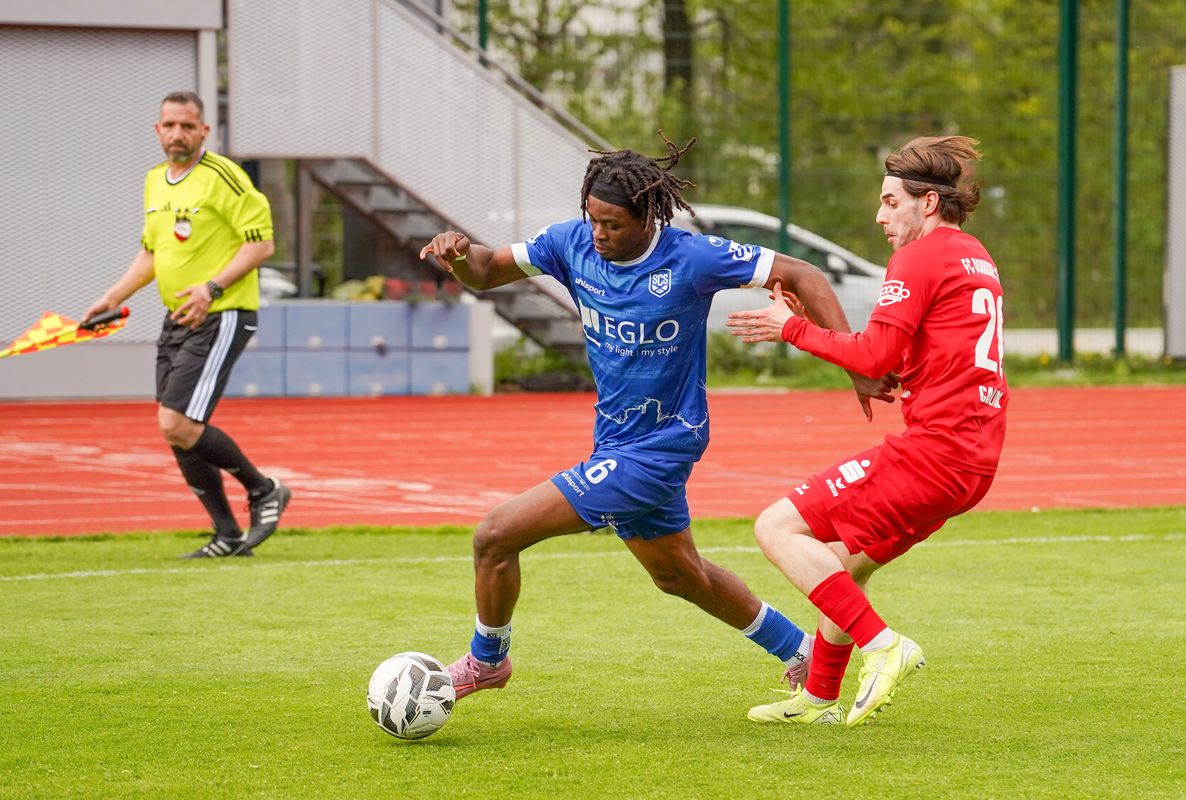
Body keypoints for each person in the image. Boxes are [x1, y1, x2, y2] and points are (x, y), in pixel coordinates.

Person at [419, 132, 895, 701]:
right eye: (592, 220)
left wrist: (851, 361)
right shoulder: (570, 243)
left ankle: (486, 660)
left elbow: (805, 276)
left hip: (664, 446)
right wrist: (457, 254)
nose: (598, 234)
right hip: (614, 441)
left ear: (649, 218)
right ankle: (805, 653)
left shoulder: (692, 257)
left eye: (612, 224)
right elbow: (487, 267)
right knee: (679, 576)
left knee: (495, 536)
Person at [726, 135, 1007, 727]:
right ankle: (821, 696)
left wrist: (791, 329)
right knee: (839, 562)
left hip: (935, 453)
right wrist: (890, 367)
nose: (879, 215)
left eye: (889, 201)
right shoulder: (974, 254)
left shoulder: (920, 257)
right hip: (974, 460)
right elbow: (929, 354)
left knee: (775, 526)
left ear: (926, 203)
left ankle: (884, 646)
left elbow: (876, 354)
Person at [83, 91, 291, 559]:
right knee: (176, 428)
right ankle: (228, 534)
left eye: (187, 126)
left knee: (176, 420)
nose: (177, 133)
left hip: (222, 313)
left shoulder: (225, 177)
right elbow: (152, 254)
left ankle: (263, 490)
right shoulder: (155, 181)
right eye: (169, 125)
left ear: (204, 131)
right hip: (178, 317)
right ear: (157, 130)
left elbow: (261, 245)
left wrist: (211, 288)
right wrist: (112, 297)